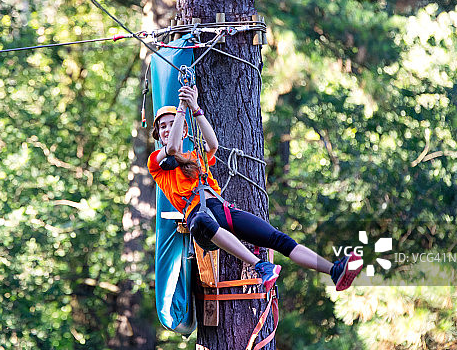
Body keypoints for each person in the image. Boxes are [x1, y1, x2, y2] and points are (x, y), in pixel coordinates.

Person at [148, 85, 362, 293]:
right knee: (201, 221)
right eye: (163, 127)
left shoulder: (196, 156)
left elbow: (213, 144)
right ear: (158, 133)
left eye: (172, 124)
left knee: (278, 239)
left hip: (222, 210)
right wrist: (181, 108)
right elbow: (173, 148)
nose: (167, 129)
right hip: (200, 220)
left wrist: (195, 108)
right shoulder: (156, 162)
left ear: (185, 130)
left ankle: (334, 270)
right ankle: (260, 266)